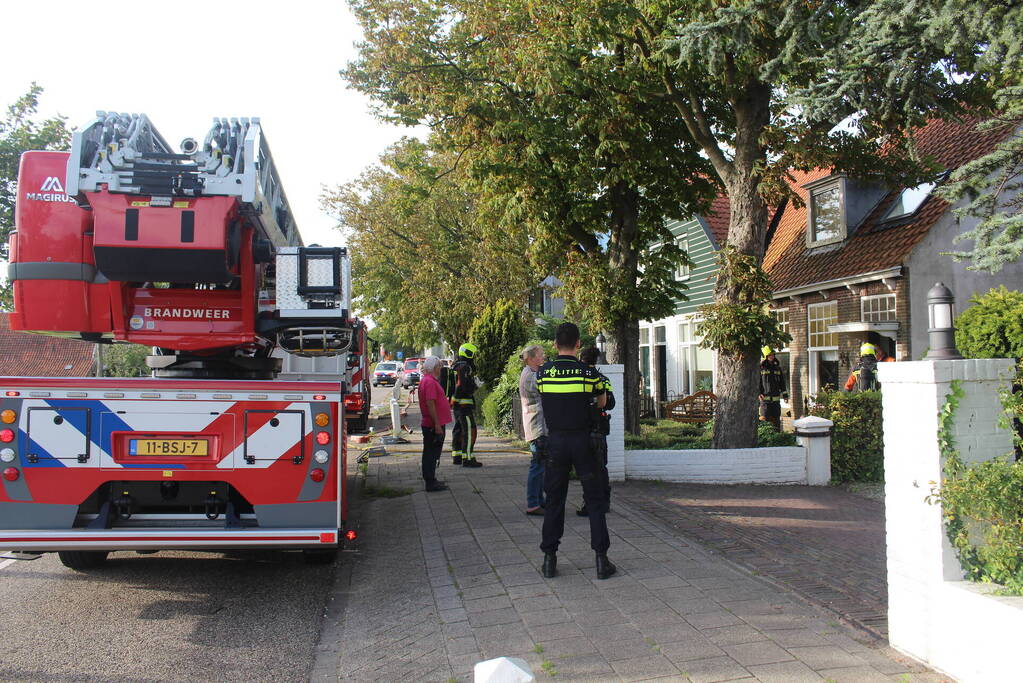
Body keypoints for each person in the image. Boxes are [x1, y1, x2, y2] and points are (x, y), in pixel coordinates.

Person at [537, 322, 615, 580]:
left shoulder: (543, 374)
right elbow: (602, 401)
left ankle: (549, 559)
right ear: (578, 344)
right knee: (595, 501)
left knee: (554, 501)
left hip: (556, 442)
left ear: (555, 344)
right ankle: (601, 560)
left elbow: (544, 399)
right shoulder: (588, 374)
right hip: (583, 441)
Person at [576, 346, 614, 517]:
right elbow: (610, 404)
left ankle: (589, 503)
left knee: (587, 468)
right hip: (600, 429)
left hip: (583, 428)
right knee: (601, 467)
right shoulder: (603, 379)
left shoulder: (579, 378)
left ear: (581, 359)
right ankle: (604, 501)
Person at [519, 344, 547, 516]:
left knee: (541, 465)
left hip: (538, 426)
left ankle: (539, 501)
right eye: (540, 355)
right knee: (537, 465)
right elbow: (546, 387)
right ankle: (533, 503)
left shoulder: (531, 372)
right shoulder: (530, 376)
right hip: (536, 427)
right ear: (530, 358)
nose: (543, 357)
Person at [418, 356, 451, 491]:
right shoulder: (430, 382)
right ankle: (430, 482)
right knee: (431, 454)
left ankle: (431, 478)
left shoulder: (427, 380)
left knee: (431, 453)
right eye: (439, 366)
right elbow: (430, 403)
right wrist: (437, 425)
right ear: (434, 368)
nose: (440, 369)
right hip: (432, 425)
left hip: (432, 423)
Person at [450, 342, 482, 468]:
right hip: (464, 406)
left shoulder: (456, 365)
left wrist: (453, 400)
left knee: (458, 430)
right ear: (468, 353)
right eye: (473, 354)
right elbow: (461, 385)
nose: (474, 357)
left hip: (458, 407)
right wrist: (475, 385)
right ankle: (468, 458)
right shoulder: (465, 367)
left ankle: (457, 456)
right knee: (469, 431)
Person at [759, 347, 787, 431]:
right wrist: (759, 393)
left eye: (773, 355)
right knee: (764, 421)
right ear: (765, 356)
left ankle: (777, 436)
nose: (772, 356)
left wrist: (785, 395)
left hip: (776, 401)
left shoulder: (777, 368)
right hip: (765, 402)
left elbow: (782, 383)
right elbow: (758, 382)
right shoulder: (761, 368)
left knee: (776, 421)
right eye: (770, 355)